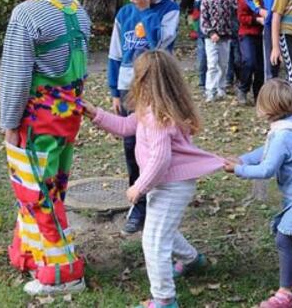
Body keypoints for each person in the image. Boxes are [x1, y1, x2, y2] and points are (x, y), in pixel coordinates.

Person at [84, 50, 224, 308]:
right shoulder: (152, 109)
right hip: (166, 182)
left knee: (153, 240)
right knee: (161, 229)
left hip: (171, 184)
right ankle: (193, 260)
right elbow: (126, 127)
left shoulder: (159, 117)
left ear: (144, 80)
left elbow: (161, 160)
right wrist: (96, 114)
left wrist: (139, 187)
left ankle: (164, 299)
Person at [0, 0, 91, 295]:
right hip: (67, 117)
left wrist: (9, 123)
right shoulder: (79, 13)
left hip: (36, 120)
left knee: (37, 192)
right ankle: (29, 253)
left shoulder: (26, 14)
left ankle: (64, 273)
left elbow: (16, 74)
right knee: (51, 186)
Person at [224, 79, 292, 308]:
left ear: (266, 108)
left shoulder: (282, 135)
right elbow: (267, 151)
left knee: (284, 238)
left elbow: (267, 169)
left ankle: (285, 294)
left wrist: (239, 169)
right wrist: (244, 158)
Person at [108, 0, 180, 235]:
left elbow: (157, 46)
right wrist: (115, 90)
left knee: (158, 142)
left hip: (157, 85)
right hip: (129, 86)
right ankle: (138, 202)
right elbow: (116, 53)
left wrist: (146, 11)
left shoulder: (167, 10)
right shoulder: (124, 13)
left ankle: (158, 194)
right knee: (131, 144)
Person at [245, 0, 290, 80]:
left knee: (290, 64)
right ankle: (270, 95)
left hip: (290, 25)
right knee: (271, 63)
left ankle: (289, 96)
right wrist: (260, 10)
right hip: (270, 25)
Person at [200, 0, 237, 102]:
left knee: (223, 63)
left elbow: (236, 7)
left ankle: (221, 87)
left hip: (225, 36)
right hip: (211, 38)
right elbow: (204, 19)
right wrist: (211, 32)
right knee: (212, 64)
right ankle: (210, 89)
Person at [237, 0, 266, 104]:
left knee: (261, 66)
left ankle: (258, 94)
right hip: (247, 33)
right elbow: (241, 17)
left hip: (262, 34)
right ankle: (243, 88)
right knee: (249, 61)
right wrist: (256, 20)